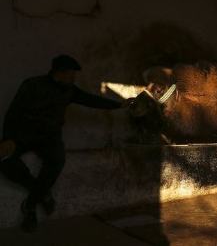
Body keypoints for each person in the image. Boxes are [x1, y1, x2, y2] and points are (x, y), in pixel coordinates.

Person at [0, 54, 126, 232]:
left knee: (57, 160)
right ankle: (42, 192)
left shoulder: (70, 90)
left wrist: (120, 105)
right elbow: (13, 112)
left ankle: (30, 206)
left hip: (49, 138)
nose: (74, 77)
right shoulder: (32, 85)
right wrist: (8, 139)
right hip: (24, 135)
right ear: (59, 72)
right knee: (5, 162)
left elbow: (91, 100)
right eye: (71, 73)